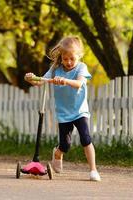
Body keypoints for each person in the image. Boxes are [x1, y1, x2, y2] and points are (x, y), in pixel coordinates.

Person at [24, 36, 101, 181]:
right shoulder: (55, 70)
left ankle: (93, 170)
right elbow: (41, 82)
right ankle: (58, 153)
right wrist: (32, 78)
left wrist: (65, 81)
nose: (69, 62)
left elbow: (79, 84)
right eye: (65, 59)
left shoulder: (81, 68)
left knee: (86, 138)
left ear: (79, 56)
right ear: (61, 57)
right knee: (65, 145)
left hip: (80, 111)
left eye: (72, 58)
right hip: (64, 113)